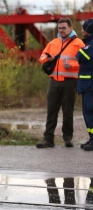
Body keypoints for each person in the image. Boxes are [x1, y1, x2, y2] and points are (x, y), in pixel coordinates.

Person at [36, 17, 85, 148]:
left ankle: (68, 138)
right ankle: (48, 139)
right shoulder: (53, 43)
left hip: (70, 82)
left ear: (70, 28)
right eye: (59, 28)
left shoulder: (79, 43)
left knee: (68, 112)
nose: (61, 30)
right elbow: (41, 57)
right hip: (54, 82)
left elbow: (86, 63)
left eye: (64, 28)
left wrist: (73, 66)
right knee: (51, 111)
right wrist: (47, 58)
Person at [76, 18, 93, 151]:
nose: (81, 30)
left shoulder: (91, 45)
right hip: (87, 85)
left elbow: (81, 55)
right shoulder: (89, 42)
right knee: (88, 113)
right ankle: (91, 139)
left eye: (83, 28)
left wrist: (82, 49)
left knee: (89, 112)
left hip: (90, 86)